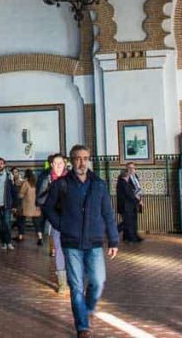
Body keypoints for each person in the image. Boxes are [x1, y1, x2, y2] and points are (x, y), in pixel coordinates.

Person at [43, 145, 118, 338]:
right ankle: (82, 327)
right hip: (71, 242)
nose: (82, 162)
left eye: (85, 158)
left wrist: (114, 240)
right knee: (76, 287)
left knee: (98, 282)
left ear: (89, 160)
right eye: (77, 158)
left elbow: (108, 214)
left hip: (94, 242)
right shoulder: (61, 185)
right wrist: (61, 225)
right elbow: (48, 208)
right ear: (71, 160)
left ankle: (88, 309)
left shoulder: (99, 184)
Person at [37, 153, 69, 292]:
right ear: (51, 165)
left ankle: (74, 279)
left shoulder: (71, 179)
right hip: (56, 221)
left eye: (60, 163)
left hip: (72, 220)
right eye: (55, 163)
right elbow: (40, 200)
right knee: (59, 249)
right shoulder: (47, 179)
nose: (58, 166)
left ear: (65, 164)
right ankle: (62, 282)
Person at [116, 162, 144, 243]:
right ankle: (129, 237)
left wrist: (140, 199)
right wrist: (138, 200)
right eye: (130, 168)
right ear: (126, 169)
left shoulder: (135, 176)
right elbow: (129, 193)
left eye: (133, 168)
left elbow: (138, 189)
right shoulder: (123, 179)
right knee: (128, 222)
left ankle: (132, 236)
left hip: (133, 203)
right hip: (127, 203)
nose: (132, 170)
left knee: (133, 220)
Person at [18, 169, 43, 246]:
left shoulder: (26, 183)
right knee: (37, 223)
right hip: (36, 206)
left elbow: (21, 194)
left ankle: (20, 236)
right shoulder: (36, 183)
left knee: (22, 221)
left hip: (26, 206)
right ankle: (40, 238)